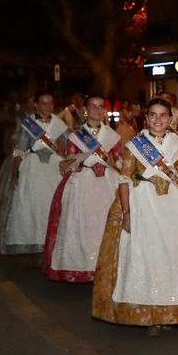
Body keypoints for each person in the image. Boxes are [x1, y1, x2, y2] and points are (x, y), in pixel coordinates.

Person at [92, 98, 178, 333]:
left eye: (163, 115)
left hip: (175, 206)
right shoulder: (135, 145)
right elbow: (123, 180)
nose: (158, 119)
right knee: (148, 257)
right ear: (146, 118)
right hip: (143, 203)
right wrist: (126, 213)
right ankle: (150, 314)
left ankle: (171, 308)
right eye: (153, 115)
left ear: (170, 118)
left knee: (173, 255)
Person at [43, 96, 124, 283]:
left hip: (107, 183)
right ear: (85, 110)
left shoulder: (113, 136)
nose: (97, 110)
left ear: (105, 110)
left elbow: (119, 161)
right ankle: (83, 268)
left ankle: (106, 265)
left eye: (100, 106)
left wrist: (112, 163)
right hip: (83, 183)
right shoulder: (75, 136)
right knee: (82, 226)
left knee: (105, 224)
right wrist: (71, 163)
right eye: (92, 106)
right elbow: (70, 160)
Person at [0, 92, 69, 256]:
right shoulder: (29, 124)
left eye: (50, 103)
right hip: (32, 167)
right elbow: (19, 150)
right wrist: (15, 174)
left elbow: (66, 148)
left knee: (52, 204)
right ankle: (34, 241)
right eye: (43, 103)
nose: (47, 106)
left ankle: (50, 241)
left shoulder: (60, 124)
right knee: (33, 205)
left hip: (53, 167)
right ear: (36, 105)